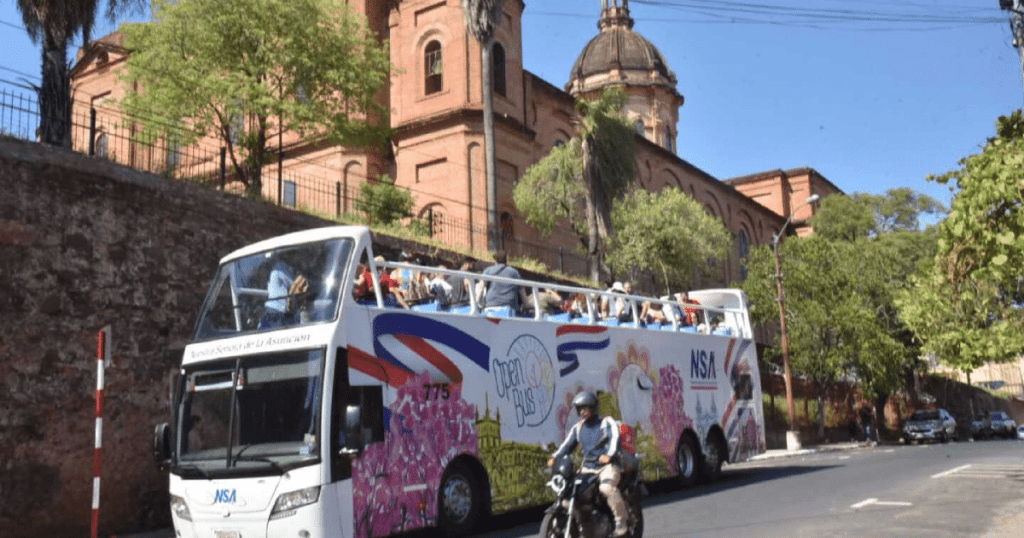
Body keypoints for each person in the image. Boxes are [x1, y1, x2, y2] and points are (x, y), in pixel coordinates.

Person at [547, 391, 628, 537]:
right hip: (587, 469)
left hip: (607, 467)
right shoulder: (578, 428)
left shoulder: (605, 422)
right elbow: (566, 446)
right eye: (580, 408)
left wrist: (609, 456)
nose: (583, 411)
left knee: (607, 488)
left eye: (586, 408)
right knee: (569, 496)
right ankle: (585, 526)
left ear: (594, 407)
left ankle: (621, 523)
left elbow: (615, 438)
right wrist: (555, 457)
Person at [261, 257, 308, 329]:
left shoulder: (280, 267)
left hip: (276, 310)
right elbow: (294, 285)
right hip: (277, 311)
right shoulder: (281, 267)